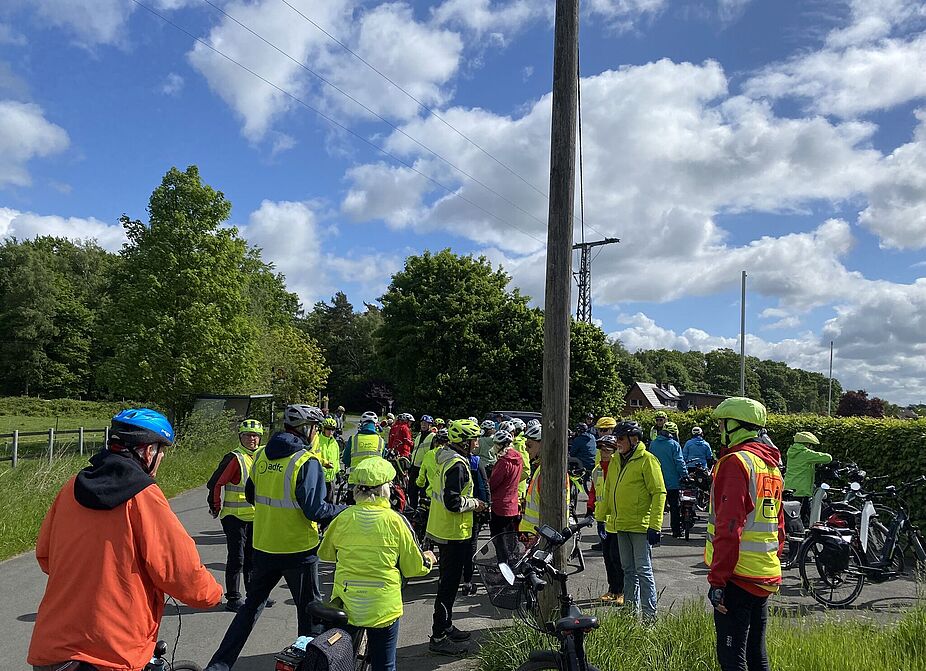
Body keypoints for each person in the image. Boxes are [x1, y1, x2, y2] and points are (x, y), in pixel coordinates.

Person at [28, 409, 222, 671]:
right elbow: (178, 569)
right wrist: (212, 594)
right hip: (111, 652)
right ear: (148, 452)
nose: (161, 458)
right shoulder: (143, 496)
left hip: (53, 648)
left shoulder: (71, 487)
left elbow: (46, 555)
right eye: (161, 452)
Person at [205, 405, 346, 671]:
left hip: (264, 547)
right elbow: (316, 510)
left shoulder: (261, 456)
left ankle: (219, 666)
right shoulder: (306, 461)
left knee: (249, 610)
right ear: (308, 430)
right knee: (309, 618)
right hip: (299, 550)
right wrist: (344, 509)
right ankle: (308, 666)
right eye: (315, 429)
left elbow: (250, 496)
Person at [318, 457, 436, 671]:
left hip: (348, 602)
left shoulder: (343, 518)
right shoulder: (396, 521)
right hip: (383, 607)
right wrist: (428, 559)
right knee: (385, 664)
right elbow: (413, 567)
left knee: (342, 661)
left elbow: (325, 554)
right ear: (384, 489)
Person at [706, 397, 784, 671]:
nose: (719, 429)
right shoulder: (770, 464)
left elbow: (729, 526)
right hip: (763, 573)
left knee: (732, 658)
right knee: (756, 653)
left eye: (721, 424)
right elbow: (779, 525)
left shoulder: (735, 462)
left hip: (736, 576)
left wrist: (718, 581)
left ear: (735, 426)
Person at [426, 419, 487, 656]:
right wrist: (477, 504)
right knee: (448, 586)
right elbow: (453, 503)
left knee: (448, 584)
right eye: (474, 439)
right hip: (453, 532)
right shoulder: (457, 465)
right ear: (464, 442)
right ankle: (439, 636)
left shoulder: (446, 456)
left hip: (447, 530)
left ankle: (446, 625)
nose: (476, 443)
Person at [596, 420, 666, 620]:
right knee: (627, 571)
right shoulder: (617, 459)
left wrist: (655, 525)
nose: (617, 443)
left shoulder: (647, 460)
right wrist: (601, 518)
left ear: (634, 439)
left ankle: (649, 618)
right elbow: (609, 490)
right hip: (621, 525)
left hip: (640, 527)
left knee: (643, 572)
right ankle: (628, 614)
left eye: (620, 438)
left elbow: (659, 492)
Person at [207, 418, 265, 612]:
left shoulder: (261, 456)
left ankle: (253, 596)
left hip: (255, 516)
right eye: (248, 435)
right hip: (234, 516)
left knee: (253, 558)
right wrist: (215, 506)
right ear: (240, 437)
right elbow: (215, 483)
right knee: (237, 558)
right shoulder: (235, 457)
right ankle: (233, 598)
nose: (252, 439)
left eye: (256, 436)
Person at [588, 434, 624, 604]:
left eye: (608, 451)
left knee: (618, 557)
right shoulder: (597, 470)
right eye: (602, 450)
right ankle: (612, 590)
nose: (604, 454)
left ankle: (622, 591)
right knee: (608, 557)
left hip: (617, 519)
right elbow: (594, 492)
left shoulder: (619, 469)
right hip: (603, 519)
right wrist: (590, 508)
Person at [519, 423, 570, 534]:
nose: (527, 449)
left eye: (529, 445)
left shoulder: (549, 471)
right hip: (535, 532)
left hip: (541, 534)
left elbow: (552, 509)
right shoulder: (542, 468)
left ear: (543, 444)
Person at [648, 420, 688, 538]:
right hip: (672, 482)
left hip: (655, 480)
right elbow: (679, 462)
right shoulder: (674, 445)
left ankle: (655, 529)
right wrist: (685, 475)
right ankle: (676, 531)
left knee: (656, 507)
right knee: (674, 507)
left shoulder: (653, 444)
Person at [460, 448, 490, 596]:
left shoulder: (446, 459)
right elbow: (484, 486)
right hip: (474, 508)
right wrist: (486, 506)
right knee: (471, 544)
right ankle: (467, 581)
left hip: (452, 511)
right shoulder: (475, 461)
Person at [783, 431, 831, 517]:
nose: (812, 448)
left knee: (791, 514)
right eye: (811, 445)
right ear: (807, 444)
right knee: (801, 514)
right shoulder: (805, 453)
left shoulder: (792, 451)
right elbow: (828, 458)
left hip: (789, 485)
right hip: (801, 489)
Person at [488, 430, 522, 539]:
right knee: (511, 539)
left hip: (499, 506)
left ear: (502, 445)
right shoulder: (518, 458)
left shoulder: (504, 462)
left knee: (499, 540)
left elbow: (493, 484)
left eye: (496, 444)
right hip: (513, 504)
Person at [408, 415, 435, 509]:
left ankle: (423, 510)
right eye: (422, 423)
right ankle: (412, 508)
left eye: (426, 423)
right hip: (415, 467)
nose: (423, 425)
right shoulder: (419, 436)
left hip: (425, 469)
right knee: (411, 490)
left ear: (430, 425)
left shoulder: (433, 437)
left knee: (424, 492)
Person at [313, 417, 342, 502]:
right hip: (319, 479)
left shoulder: (335, 443)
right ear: (323, 429)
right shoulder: (317, 440)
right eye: (328, 429)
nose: (331, 432)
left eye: (333, 429)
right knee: (318, 503)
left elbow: (336, 460)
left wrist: (338, 473)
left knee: (329, 503)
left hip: (330, 479)